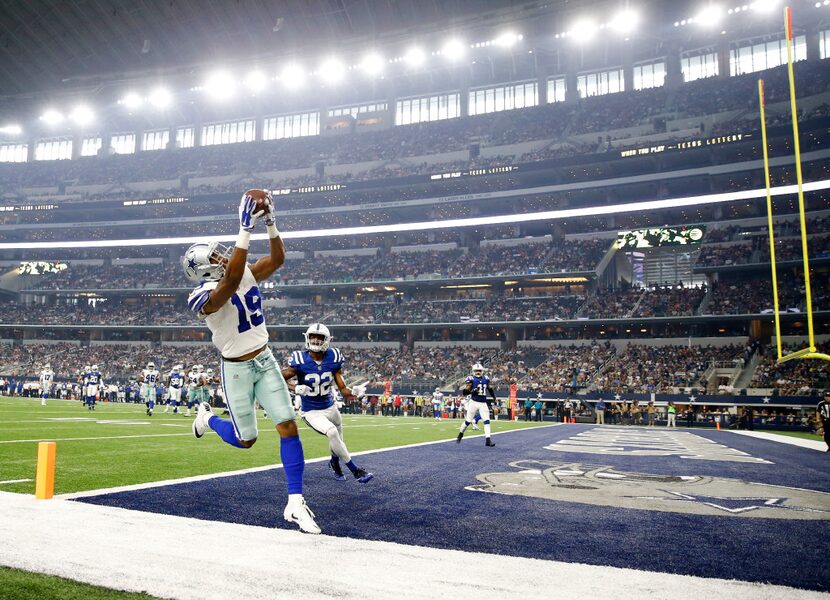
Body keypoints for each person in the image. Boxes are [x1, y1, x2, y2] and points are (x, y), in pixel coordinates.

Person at [187, 190, 319, 534]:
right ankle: (208, 418)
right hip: (236, 369)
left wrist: (271, 223)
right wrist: (244, 229)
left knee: (288, 425)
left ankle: (295, 502)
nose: (222, 255)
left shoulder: (240, 270)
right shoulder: (200, 297)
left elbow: (277, 261)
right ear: (203, 267)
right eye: (215, 255)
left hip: (264, 358)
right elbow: (229, 283)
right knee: (247, 440)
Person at [281, 323, 373, 483]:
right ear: (307, 338)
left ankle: (334, 462)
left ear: (327, 339)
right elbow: (278, 378)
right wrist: (294, 387)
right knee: (332, 433)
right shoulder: (300, 359)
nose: (315, 340)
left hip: (330, 407)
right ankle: (356, 470)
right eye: (312, 336)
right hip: (311, 410)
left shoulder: (333, 357)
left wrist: (354, 392)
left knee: (337, 439)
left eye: (319, 337)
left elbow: (343, 389)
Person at [456, 363, 496, 447]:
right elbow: (464, 392)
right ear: (473, 371)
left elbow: (490, 389)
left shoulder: (486, 378)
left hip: (483, 403)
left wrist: (494, 398)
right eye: (476, 371)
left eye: (479, 371)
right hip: (473, 403)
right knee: (468, 421)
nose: (478, 372)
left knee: (487, 421)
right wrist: (471, 391)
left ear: (482, 371)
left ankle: (488, 440)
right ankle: (460, 433)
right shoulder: (471, 379)